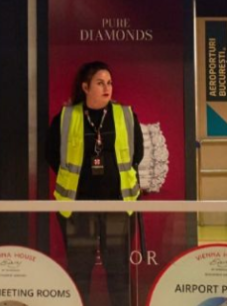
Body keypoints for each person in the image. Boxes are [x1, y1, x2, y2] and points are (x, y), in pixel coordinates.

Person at [46, 61, 144, 306]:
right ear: (85, 87)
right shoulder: (66, 117)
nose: (107, 87)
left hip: (118, 205)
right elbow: (52, 155)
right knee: (79, 272)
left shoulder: (125, 115)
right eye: (100, 83)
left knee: (119, 273)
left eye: (109, 83)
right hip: (78, 207)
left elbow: (137, 153)